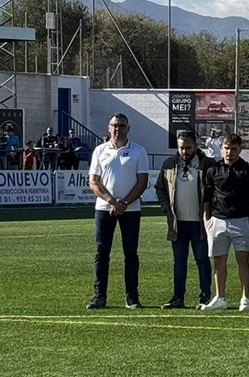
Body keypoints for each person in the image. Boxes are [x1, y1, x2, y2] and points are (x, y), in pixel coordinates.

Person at [87, 113, 150, 310]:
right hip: (104, 209)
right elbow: (94, 182)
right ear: (109, 127)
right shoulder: (100, 151)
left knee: (131, 253)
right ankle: (99, 296)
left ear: (128, 128)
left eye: (122, 126)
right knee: (102, 252)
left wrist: (125, 203)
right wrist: (112, 201)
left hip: (131, 209)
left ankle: (132, 297)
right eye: (114, 125)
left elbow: (142, 182)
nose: (117, 129)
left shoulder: (138, 151)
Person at [154, 129, 212, 310]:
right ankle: (178, 297)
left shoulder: (207, 164)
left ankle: (205, 297)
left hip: (200, 223)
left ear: (195, 146)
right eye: (181, 148)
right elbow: (160, 188)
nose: (184, 151)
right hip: (177, 223)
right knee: (179, 261)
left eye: (188, 147)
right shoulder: (169, 164)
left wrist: (209, 213)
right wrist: (166, 209)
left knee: (202, 260)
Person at [200, 133, 249, 312]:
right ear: (221, 148)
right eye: (226, 148)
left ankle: (245, 298)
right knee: (219, 261)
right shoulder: (213, 170)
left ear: (240, 149)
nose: (229, 152)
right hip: (217, 220)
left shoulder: (248, 171)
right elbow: (207, 197)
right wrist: (206, 219)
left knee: (243, 259)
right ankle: (220, 298)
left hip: (241, 220)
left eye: (233, 149)